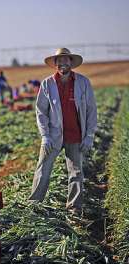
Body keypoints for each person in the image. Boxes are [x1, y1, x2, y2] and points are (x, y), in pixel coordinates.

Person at [28, 48, 97, 216]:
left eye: (65, 61)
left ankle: (74, 209)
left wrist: (89, 135)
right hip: (53, 136)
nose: (62, 64)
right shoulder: (47, 84)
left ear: (71, 63)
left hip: (75, 135)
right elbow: (41, 112)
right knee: (43, 170)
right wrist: (44, 135)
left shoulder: (83, 83)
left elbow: (91, 110)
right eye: (59, 61)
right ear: (55, 65)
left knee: (76, 173)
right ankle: (34, 206)